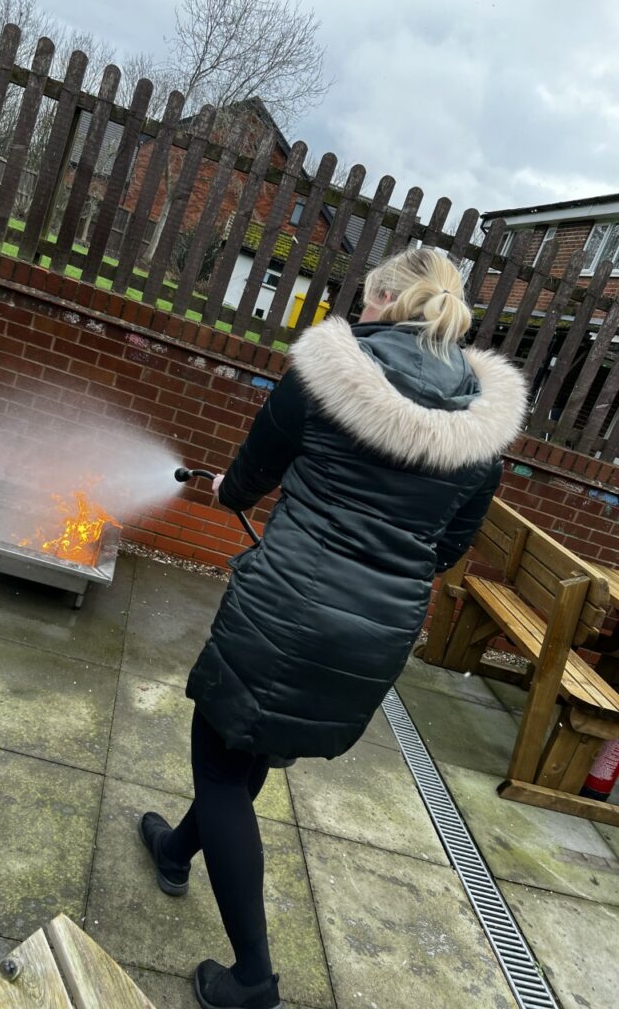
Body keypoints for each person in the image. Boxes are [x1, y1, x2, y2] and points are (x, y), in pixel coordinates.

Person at [139, 247, 528, 1009]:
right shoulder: (481, 427)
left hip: (286, 612)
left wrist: (227, 489)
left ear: (384, 299)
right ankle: (177, 851)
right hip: (375, 636)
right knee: (247, 748)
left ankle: (253, 979)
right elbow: (448, 548)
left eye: (366, 297)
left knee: (219, 766)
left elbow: (246, 484)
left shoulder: (326, 372)